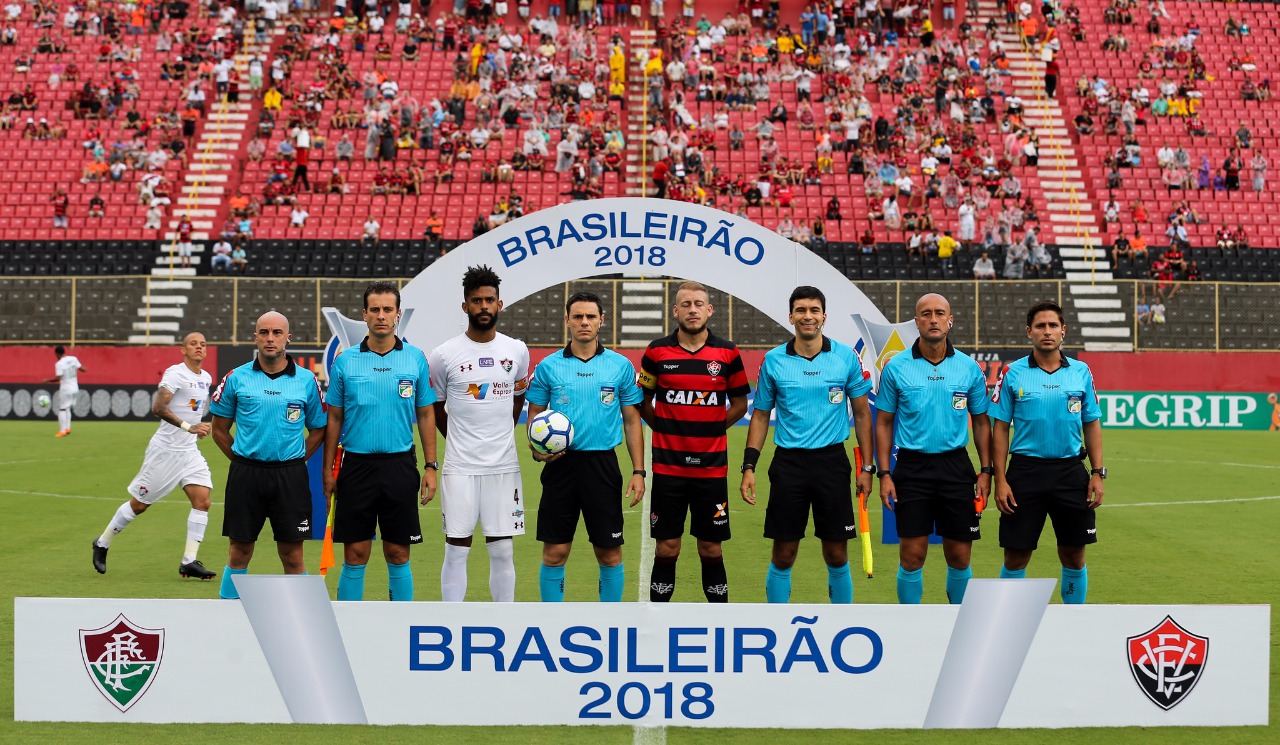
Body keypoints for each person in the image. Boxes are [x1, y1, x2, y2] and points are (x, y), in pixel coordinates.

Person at [739, 286, 874, 604]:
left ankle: (841, 622)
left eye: (814, 310)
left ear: (824, 316)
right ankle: (777, 623)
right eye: (801, 310)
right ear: (791, 316)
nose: (807, 316)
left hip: (832, 462)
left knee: (837, 553)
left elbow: (863, 414)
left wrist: (867, 467)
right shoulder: (774, 360)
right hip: (789, 465)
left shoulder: (845, 357)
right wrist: (749, 467)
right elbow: (759, 416)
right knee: (784, 553)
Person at [526, 290, 646, 602]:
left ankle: (611, 623)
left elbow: (633, 421)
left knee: (609, 553)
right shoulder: (549, 366)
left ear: (601, 321)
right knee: (555, 552)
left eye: (590, 316)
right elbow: (535, 414)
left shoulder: (619, 366)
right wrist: (536, 449)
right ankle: (552, 622)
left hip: (602, 466)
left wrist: (638, 471)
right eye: (577, 316)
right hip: (560, 467)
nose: (584, 322)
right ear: (566, 320)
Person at [323, 282, 438, 602]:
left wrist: (431, 466)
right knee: (355, 553)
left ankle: (401, 625)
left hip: (400, 465)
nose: (381, 316)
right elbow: (334, 418)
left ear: (398, 315)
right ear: (364, 315)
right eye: (375, 309)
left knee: (399, 552)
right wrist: (327, 471)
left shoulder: (415, 358)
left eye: (388, 309)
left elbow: (426, 415)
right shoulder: (346, 361)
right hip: (356, 466)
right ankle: (349, 627)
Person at [875, 295, 992, 604]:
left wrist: (986, 471)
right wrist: (885, 473)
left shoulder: (968, 368)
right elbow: (884, 422)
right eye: (926, 314)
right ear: (917, 322)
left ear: (950, 320)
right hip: (912, 468)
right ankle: (910, 623)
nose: (933, 319)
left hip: (956, 467)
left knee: (960, 556)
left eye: (940, 313)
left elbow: (981, 422)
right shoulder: (896, 367)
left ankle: (958, 623)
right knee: (912, 555)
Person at [638, 282, 750, 602]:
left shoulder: (727, 352)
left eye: (698, 304)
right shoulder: (656, 351)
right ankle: (657, 620)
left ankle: (720, 619)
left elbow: (740, 404)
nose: (692, 309)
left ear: (709, 310)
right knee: (667, 547)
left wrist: (714, 428)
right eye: (685, 304)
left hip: (711, 470)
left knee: (711, 547)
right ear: (675, 311)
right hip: (669, 469)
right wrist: (663, 427)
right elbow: (643, 400)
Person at [991, 301, 1106, 604]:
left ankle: (1074, 618)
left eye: (1053, 325)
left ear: (1063, 331)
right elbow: (1000, 428)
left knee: (1074, 552)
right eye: (1040, 326)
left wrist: (1097, 473)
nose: (1047, 331)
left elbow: (1092, 423)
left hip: (1070, 472)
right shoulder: (1012, 372)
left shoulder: (1081, 372)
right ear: (1029, 332)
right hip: (1024, 473)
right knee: (1016, 554)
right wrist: (1000, 479)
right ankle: (1008, 619)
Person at [428, 266, 530, 602]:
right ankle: (451, 623)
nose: (483, 306)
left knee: (502, 551)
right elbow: (437, 410)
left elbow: (517, 402)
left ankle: (504, 621)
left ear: (500, 304)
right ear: (465, 307)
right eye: (476, 301)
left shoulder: (516, 350)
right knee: (456, 549)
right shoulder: (443, 356)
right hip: (460, 467)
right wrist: (461, 441)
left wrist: (499, 434)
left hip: (503, 466)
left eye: (489, 300)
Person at [209, 311, 327, 599]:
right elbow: (219, 430)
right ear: (255, 337)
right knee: (239, 551)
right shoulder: (236, 378)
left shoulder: (306, 380)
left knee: (292, 555)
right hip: (246, 475)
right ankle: (227, 616)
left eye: (276, 333)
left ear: (289, 338)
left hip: (290, 476)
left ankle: (303, 621)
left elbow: (319, 430)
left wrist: (298, 460)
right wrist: (240, 460)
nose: (270, 338)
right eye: (264, 332)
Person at [92, 332, 217, 580]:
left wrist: (197, 426)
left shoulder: (206, 377)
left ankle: (189, 561)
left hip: (189, 451)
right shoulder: (175, 373)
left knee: (202, 501)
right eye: (193, 344)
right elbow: (159, 407)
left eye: (203, 344)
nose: (199, 347)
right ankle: (102, 542)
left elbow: (191, 408)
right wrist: (188, 427)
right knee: (139, 505)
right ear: (183, 349)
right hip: (165, 452)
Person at [44, 345, 83, 436]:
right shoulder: (73, 358)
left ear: (57, 354)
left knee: (62, 409)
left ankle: (62, 431)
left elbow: (58, 378)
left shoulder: (59, 364)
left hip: (66, 389)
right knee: (67, 408)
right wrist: (85, 369)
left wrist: (47, 380)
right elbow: (82, 369)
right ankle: (67, 428)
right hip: (75, 388)